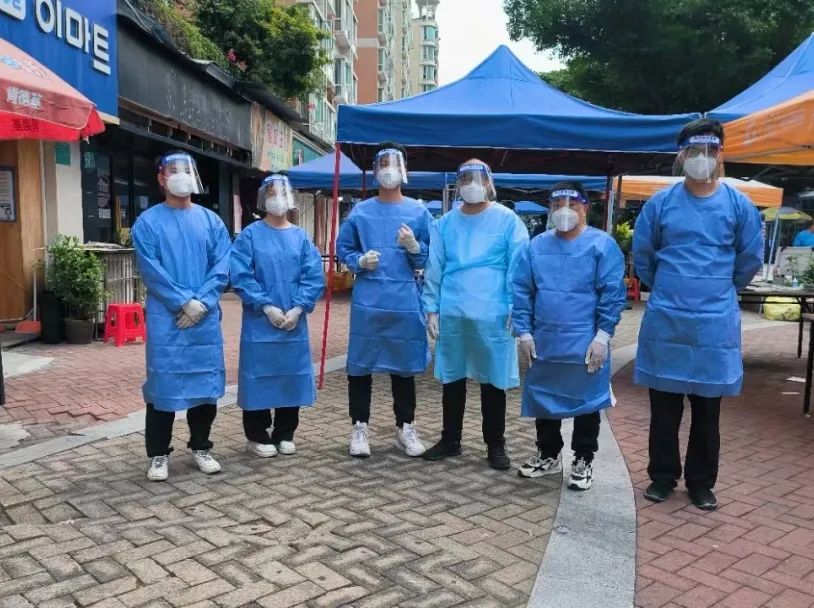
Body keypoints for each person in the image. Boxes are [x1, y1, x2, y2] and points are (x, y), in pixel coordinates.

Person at [633, 119, 763, 510]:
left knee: (708, 408)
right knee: (664, 407)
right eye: (693, 151)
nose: (701, 158)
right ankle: (662, 476)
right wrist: (670, 286)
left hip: (714, 321)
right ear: (681, 155)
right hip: (667, 318)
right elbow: (644, 256)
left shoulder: (739, 205)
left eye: (709, 150)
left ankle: (702, 482)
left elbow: (749, 259)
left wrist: (717, 288)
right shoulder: (660, 204)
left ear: (721, 154)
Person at [512, 182, 626, 490]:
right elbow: (522, 290)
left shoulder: (601, 246)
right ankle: (548, 454)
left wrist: (603, 335)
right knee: (544, 398)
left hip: (585, 339)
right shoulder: (536, 247)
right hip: (545, 339)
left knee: (586, 401)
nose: (564, 210)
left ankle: (583, 458)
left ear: (585, 207)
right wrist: (524, 332)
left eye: (572, 204)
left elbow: (612, 293)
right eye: (557, 204)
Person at [422, 160, 529, 470]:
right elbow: (435, 267)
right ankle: (450, 439)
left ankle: (495, 444)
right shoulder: (444, 224)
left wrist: (517, 306)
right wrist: (431, 308)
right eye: (466, 179)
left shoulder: (507, 221)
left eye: (477, 178)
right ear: (458, 185)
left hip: (494, 312)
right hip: (453, 309)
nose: (472, 184)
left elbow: (519, 267)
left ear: (489, 183)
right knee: (452, 378)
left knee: (493, 381)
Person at [132, 151, 231, 482]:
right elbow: (151, 269)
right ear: (161, 178)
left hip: (203, 317)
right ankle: (158, 454)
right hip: (168, 319)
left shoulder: (212, 222)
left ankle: (201, 446)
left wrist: (201, 302)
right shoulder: (148, 223)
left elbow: (222, 265)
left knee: (204, 385)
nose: (180, 176)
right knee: (163, 385)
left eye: (186, 170)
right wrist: (182, 302)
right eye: (172, 170)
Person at [336, 142, 433, 458]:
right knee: (360, 366)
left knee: (403, 367)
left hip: (404, 301)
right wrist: (360, 261)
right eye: (383, 164)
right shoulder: (361, 212)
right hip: (369, 301)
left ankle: (405, 427)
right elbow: (344, 248)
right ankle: (359, 427)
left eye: (394, 163)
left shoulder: (418, 212)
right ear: (375, 170)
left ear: (404, 169)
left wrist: (414, 246)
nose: (389, 170)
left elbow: (430, 258)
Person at [230, 174, 325, 458]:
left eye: (283, 192)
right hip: (260, 323)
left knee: (290, 376)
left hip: (293, 323)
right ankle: (257, 435)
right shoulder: (250, 236)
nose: (278, 198)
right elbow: (241, 275)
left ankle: (285, 432)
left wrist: (298, 307)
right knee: (258, 376)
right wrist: (265, 306)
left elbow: (312, 275)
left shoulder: (300, 237)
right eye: (272, 193)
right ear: (263, 198)